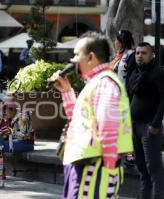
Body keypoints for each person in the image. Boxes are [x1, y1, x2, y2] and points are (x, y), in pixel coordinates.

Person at [50, 32, 133, 199]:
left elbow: (109, 129)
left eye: (76, 54)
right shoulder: (97, 83)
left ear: (90, 58)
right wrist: (66, 91)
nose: (72, 60)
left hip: (93, 166)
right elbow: (79, 119)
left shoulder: (105, 84)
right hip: (86, 163)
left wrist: (109, 172)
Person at [126, 42, 164, 199]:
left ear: (152, 55)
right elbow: (131, 97)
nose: (140, 56)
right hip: (134, 127)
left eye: (144, 53)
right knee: (141, 168)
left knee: (154, 168)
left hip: (149, 127)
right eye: (137, 53)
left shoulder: (158, 73)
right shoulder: (134, 73)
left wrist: (155, 124)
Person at [110, 30, 136, 167]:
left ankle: (130, 154)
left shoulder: (131, 56)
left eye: (117, 40)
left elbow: (131, 79)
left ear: (122, 42)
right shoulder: (117, 57)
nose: (115, 42)